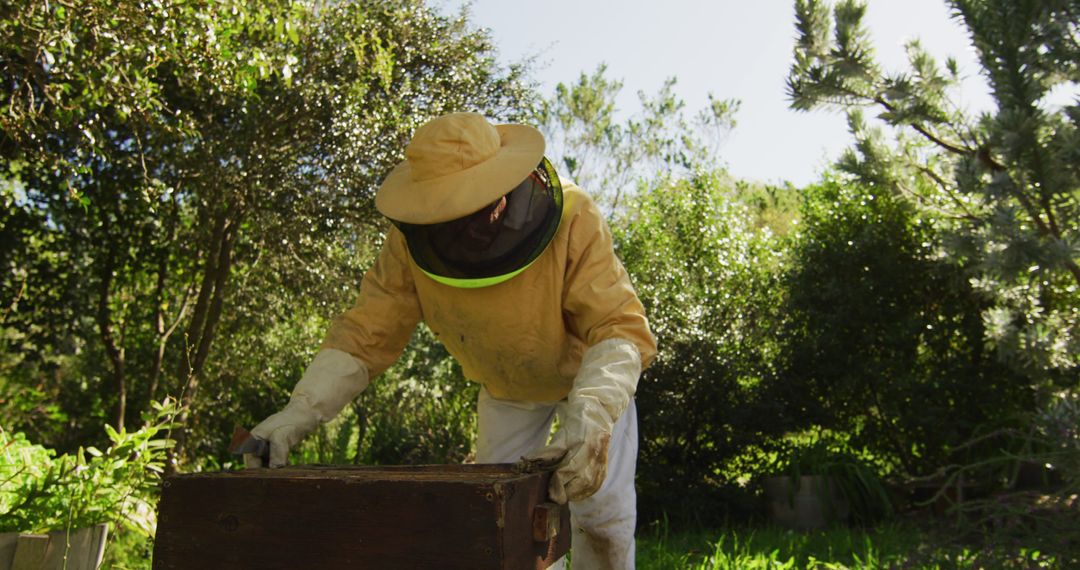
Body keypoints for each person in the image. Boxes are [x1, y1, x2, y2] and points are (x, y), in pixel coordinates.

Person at [246, 112, 657, 569]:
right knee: (498, 522)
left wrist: (593, 415)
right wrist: (299, 410)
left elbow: (618, 327)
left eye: (480, 202)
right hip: (507, 392)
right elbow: (366, 334)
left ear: (506, 186)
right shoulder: (408, 246)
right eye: (454, 212)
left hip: (590, 386)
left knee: (602, 516)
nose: (470, 224)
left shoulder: (574, 216)